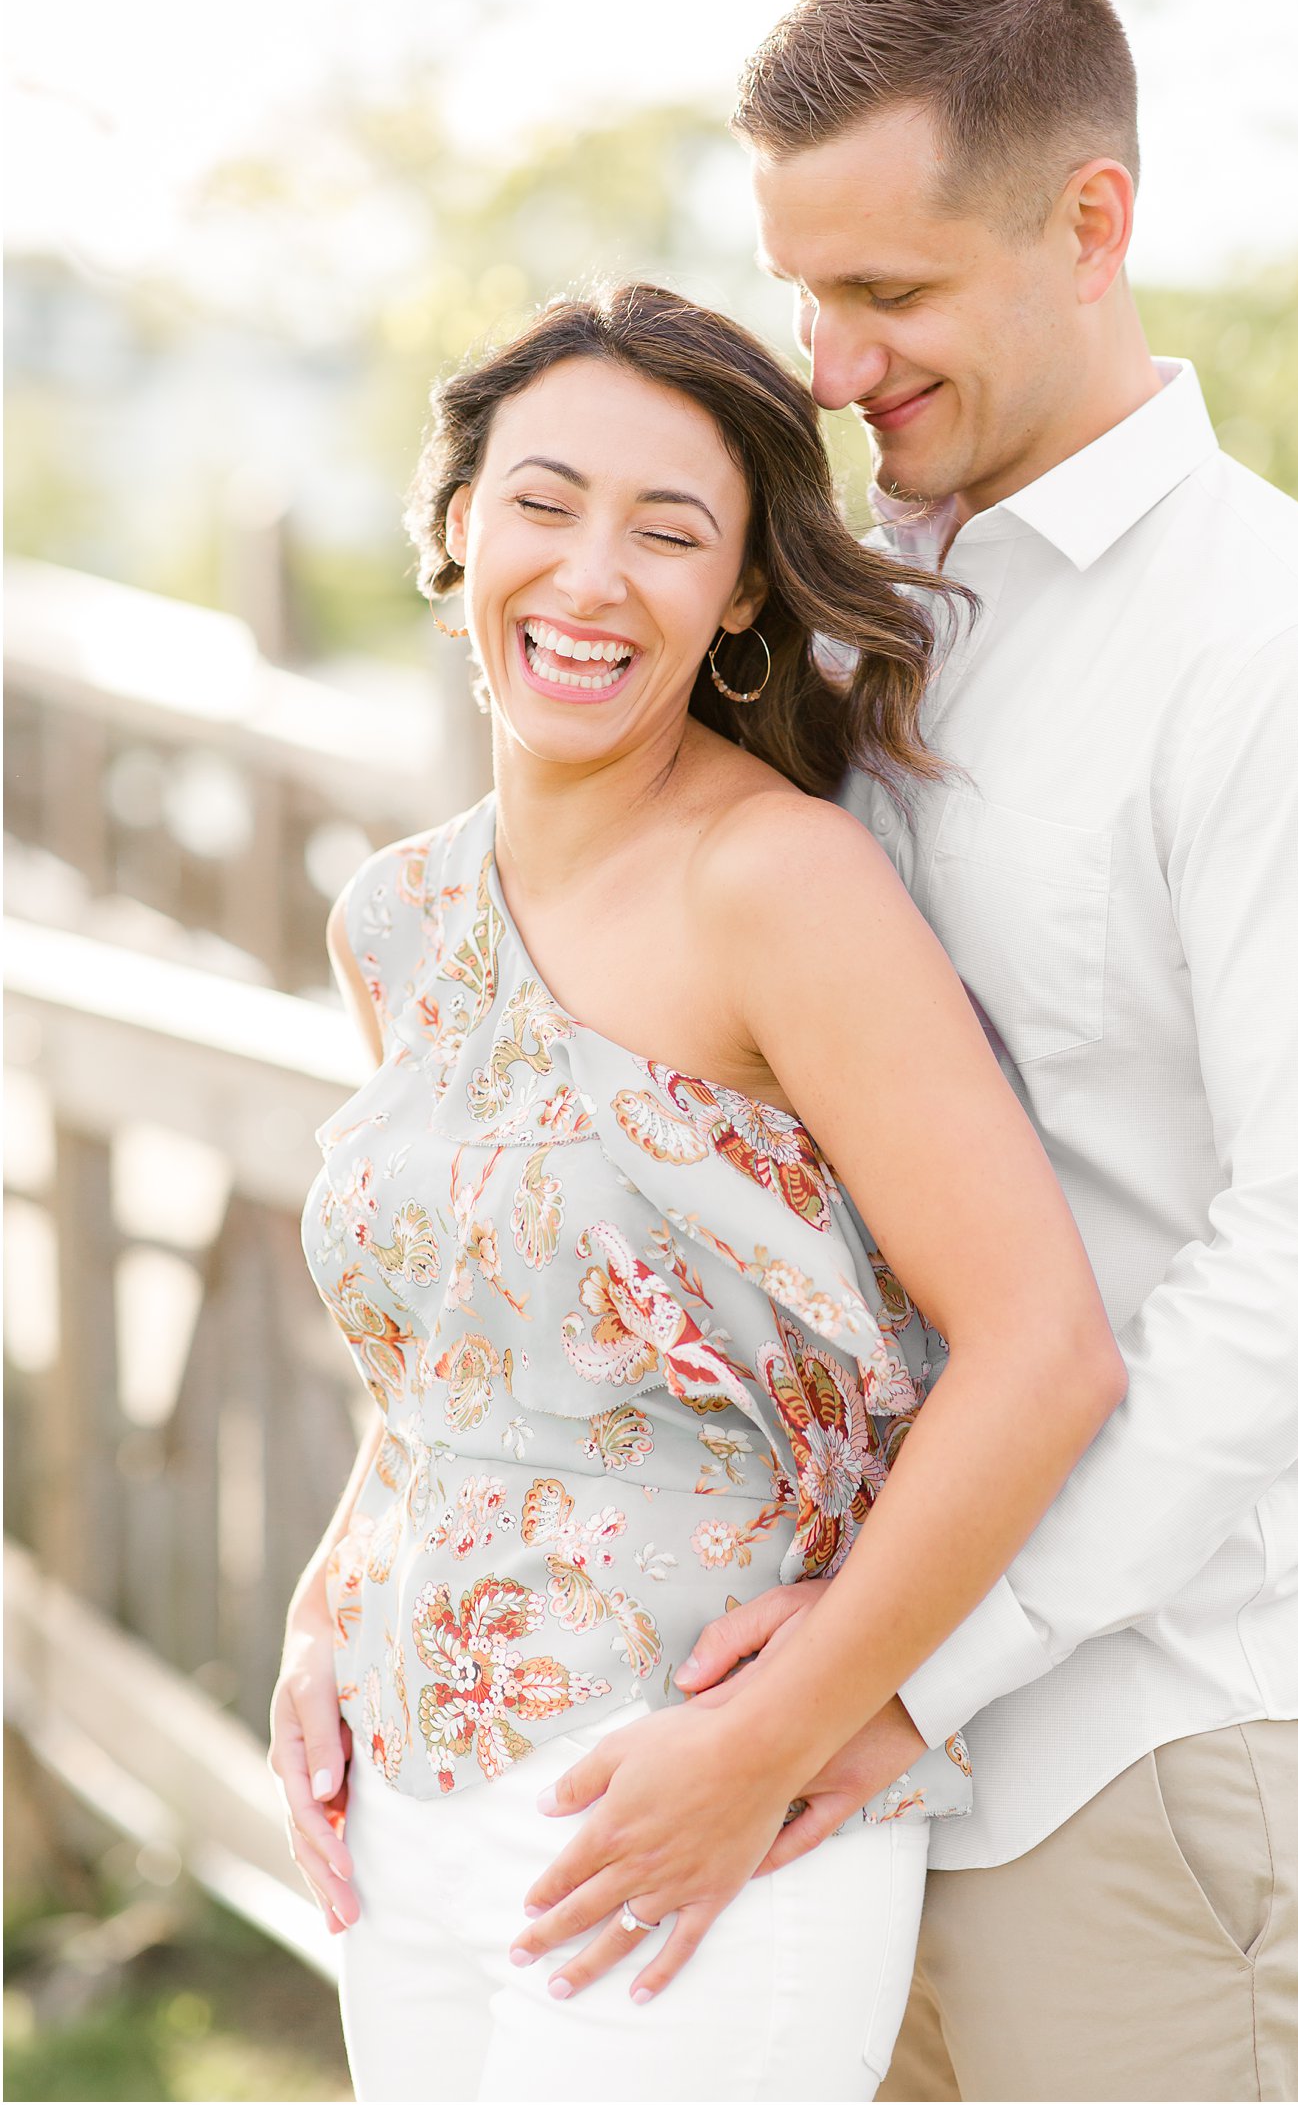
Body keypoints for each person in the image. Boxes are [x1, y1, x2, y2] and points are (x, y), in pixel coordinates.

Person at [534, 0, 1298, 2104]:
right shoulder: (846, 614)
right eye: (803, 292)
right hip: (820, 1769)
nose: (830, 363)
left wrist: (897, 1675)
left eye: (889, 293)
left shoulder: (1296, 668)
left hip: (1134, 1755)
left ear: (1091, 223)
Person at [269, 281, 1127, 2103]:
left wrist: (784, 1737)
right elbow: (456, 1347)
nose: (591, 577)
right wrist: (327, 1597)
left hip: (699, 1805)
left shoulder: (779, 885)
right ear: (458, 525)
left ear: (740, 592)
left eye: (668, 532)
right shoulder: (397, 916)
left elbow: (1044, 1349)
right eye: (543, 502)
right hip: (402, 1801)